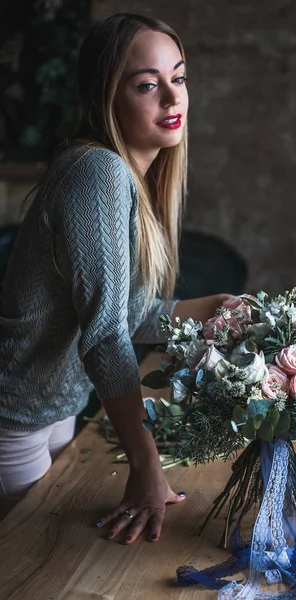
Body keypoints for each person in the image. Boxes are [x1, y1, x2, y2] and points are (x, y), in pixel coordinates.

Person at [0, 13, 232, 542]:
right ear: (106, 97)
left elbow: (129, 316)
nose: (173, 100)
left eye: (179, 78)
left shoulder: (129, 176)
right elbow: (105, 337)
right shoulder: (96, 172)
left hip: (55, 414)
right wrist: (146, 465)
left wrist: (218, 305)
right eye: (147, 85)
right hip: (12, 425)